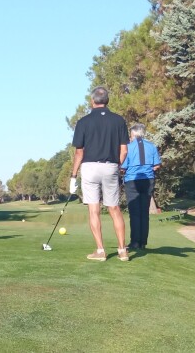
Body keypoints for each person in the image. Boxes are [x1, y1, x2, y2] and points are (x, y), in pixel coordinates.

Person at [70, 86, 130, 261]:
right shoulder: (119, 121)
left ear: (92, 101)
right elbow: (124, 150)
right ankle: (122, 251)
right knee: (114, 208)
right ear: (107, 101)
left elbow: (79, 152)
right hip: (110, 166)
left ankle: (101, 251)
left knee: (94, 210)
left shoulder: (83, 122)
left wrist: (73, 175)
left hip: (89, 168)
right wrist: (117, 165)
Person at [121, 123, 161, 250]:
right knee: (144, 212)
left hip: (132, 180)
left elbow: (123, 167)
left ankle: (135, 242)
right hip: (148, 180)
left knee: (134, 212)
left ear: (133, 134)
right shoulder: (152, 146)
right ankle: (143, 242)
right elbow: (157, 165)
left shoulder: (128, 147)